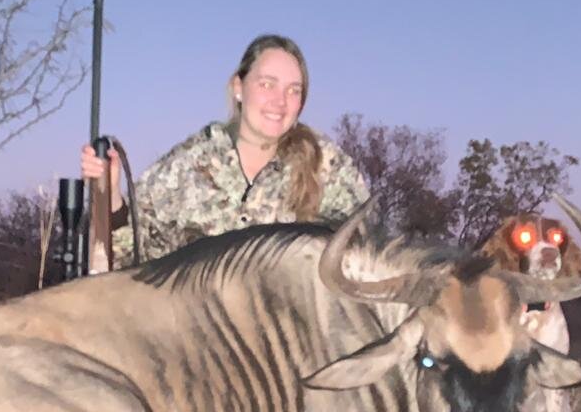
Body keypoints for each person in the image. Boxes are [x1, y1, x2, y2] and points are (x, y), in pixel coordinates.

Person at [80, 34, 369, 264]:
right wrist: (112, 197)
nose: (280, 102)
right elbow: (131, 258)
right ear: (238, 87)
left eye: (294, 90)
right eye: (267, 84)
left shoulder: (328, 165)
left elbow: (368, 251)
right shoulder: (187, 164)